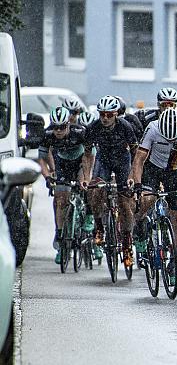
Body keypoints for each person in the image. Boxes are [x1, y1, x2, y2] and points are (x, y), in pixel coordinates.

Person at [129, 108, 177, 284]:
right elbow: (139, 158)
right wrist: (138, 184)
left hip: (175, 170)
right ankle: (139, 227)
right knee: (147, 199)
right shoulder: (153, 128)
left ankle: (176, 259)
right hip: (153, 168)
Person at [86, 95, 138, 267]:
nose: (105, 118)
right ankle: (99, 225)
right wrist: (87, 177)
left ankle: (127, 244)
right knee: (95, 191)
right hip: (104, 160)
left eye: (109, 115)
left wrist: (132, 176)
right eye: (102, 115)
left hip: (122, 160)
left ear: (116, 114)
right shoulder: (93, 127)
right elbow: (87, 154)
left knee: (125, 203)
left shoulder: (125, 126)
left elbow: (135, 153)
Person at [37, 107, 94, 263]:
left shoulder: (80, 132)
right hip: (63, 164)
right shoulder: (48, 134)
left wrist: (87, 178)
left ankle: (88, 216)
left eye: (62, 127)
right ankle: (61, 236)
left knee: (86, 186)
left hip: (81, 161)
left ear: (68, 124)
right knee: (61, 198)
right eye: (56, 127)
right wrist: (48, 176)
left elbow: (89, 155)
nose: (59, 131)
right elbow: (41, 159)